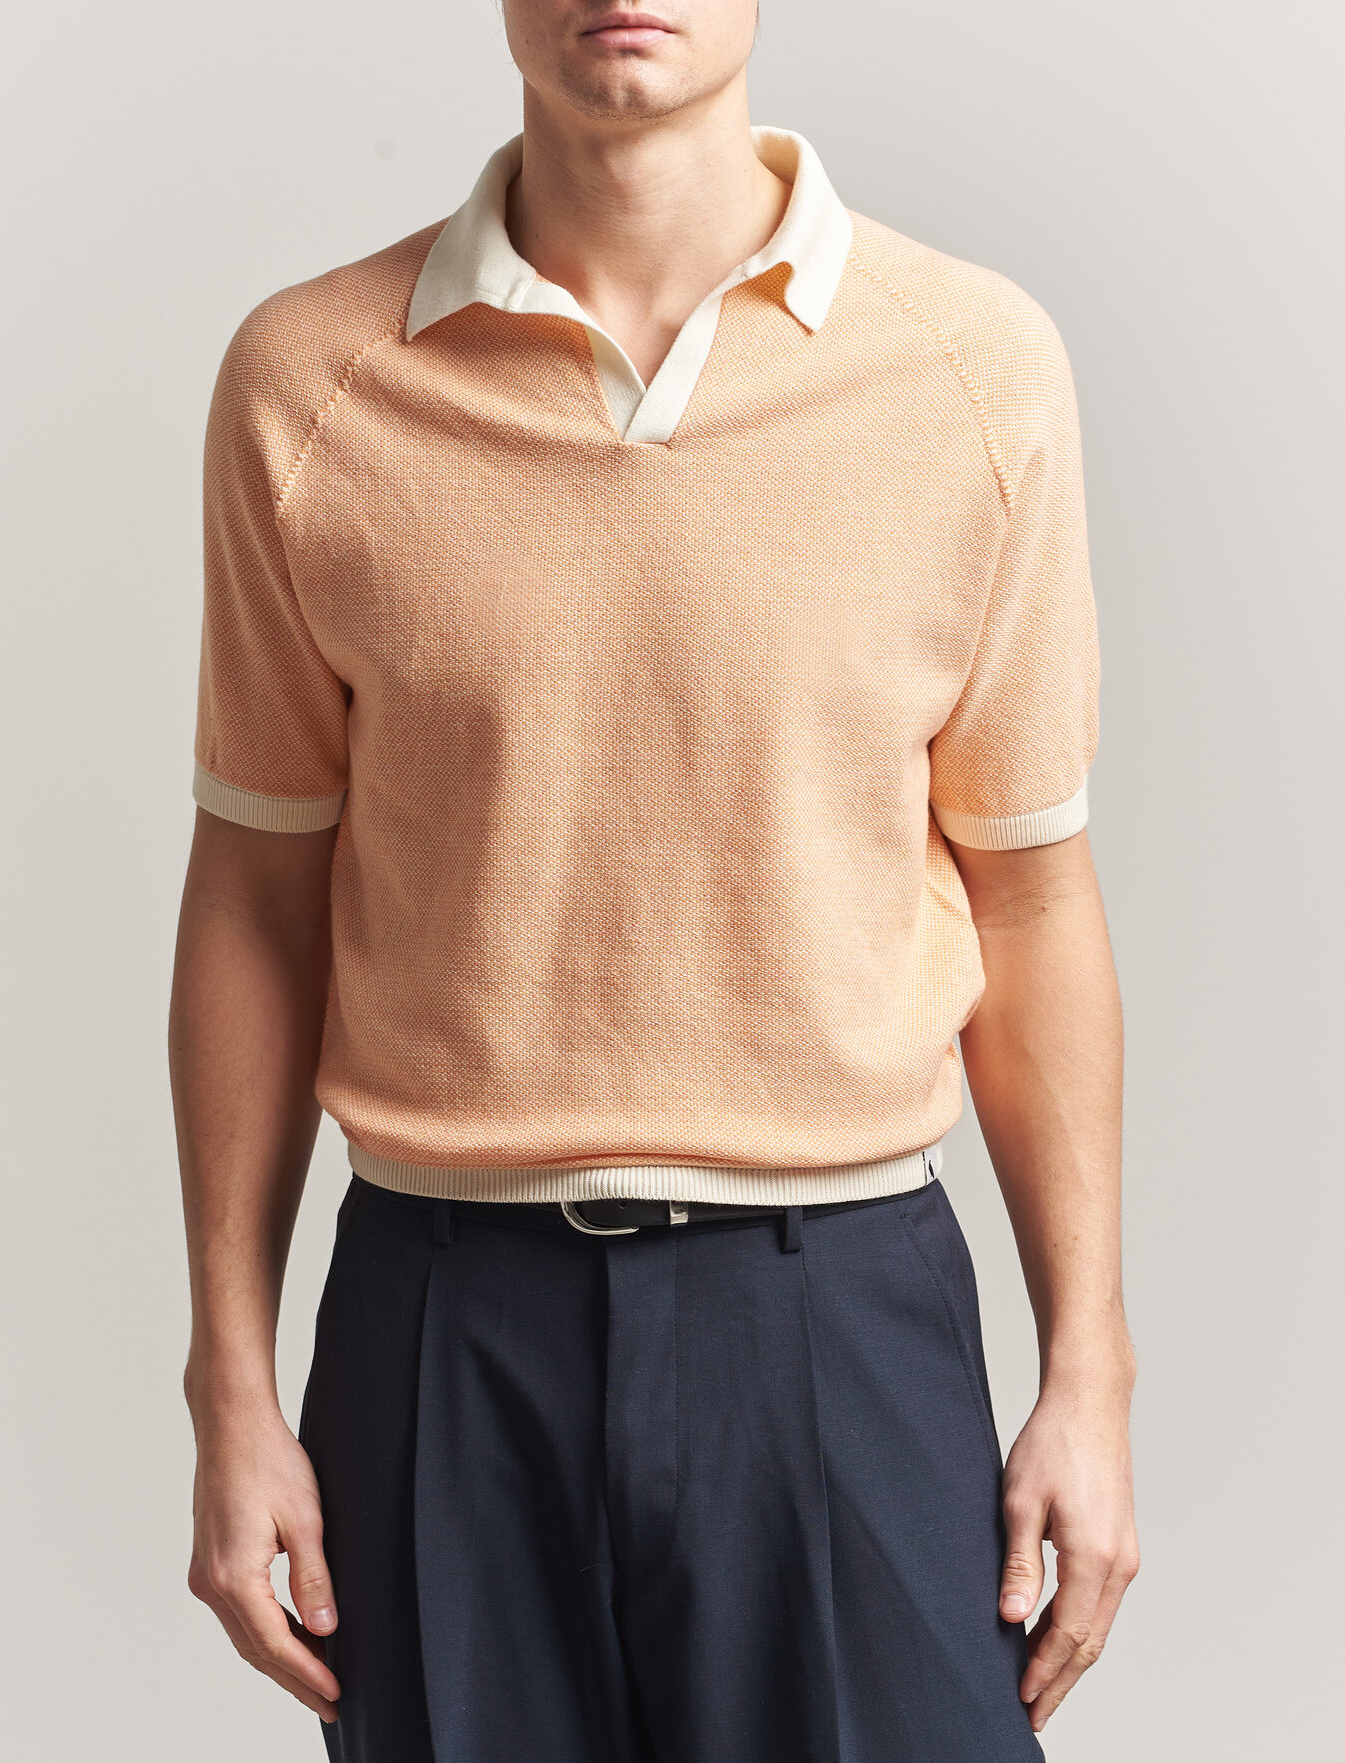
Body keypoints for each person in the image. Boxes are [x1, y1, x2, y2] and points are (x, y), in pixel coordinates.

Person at [169, 3, 1139, 1758]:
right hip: (441, 1327)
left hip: (837, 1313)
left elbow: (1031, 898)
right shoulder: (309, 383)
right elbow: (254, 896)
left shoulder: (968, 370)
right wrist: (227, 1381)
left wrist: (1091, 1370)